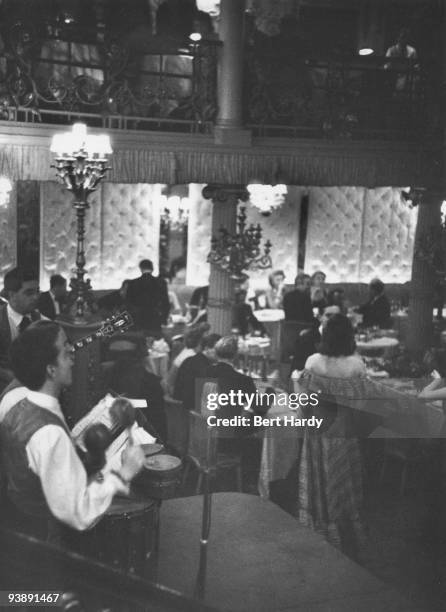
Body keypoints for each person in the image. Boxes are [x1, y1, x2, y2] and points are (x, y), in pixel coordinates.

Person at [0, 321, 145, 540]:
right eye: (66, 353)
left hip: (19, 526)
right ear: (51, 369)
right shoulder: (49, 432)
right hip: (46, 540)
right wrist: (125, 472)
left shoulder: (19, 406)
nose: (73, 358)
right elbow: (80, 514)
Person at [294, 314, 366, 550]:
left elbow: (303, 400)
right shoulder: (356, 364)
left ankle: (321, 520)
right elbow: (360, 404)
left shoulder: (313, 362)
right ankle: (343, 520)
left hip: (318, 428)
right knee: (341, 476)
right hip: (343, 430)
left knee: (318, 477)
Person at [0, 267, 44, 392]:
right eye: (29, 293)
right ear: (12, 295)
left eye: (37, 291)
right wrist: (11, 378)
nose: (36, 297)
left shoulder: (41, 320)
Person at [173, 332, 221, 411]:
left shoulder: (189, 360)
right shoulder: (205, 368)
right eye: (218, 351)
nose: (221, 354)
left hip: (180, 411)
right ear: (207, 348)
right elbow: (209, 399)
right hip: (195, 414)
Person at [125, 259, 170, 335]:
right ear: (152, 268)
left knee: (140, 342)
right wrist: (164, 320)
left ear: (141, 269)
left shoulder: (132, 283)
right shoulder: (161, 282)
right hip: (155, 319)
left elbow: (128, 304)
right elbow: (166, 304)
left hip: (138, 320)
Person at [384, 28, 418, 92]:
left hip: (408, 77)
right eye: (402, 37)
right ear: (398, 38)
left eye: (406, 37)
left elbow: (416, 66)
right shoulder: (391, 50)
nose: (404, 40)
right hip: (393, 77)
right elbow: (387, 66)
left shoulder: (412, 51)